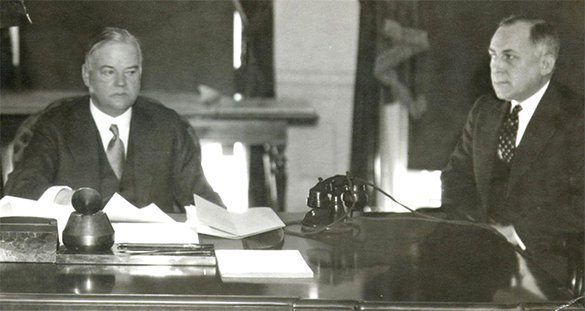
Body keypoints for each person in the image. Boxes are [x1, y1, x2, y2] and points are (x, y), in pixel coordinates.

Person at [4, 27, 224, 213]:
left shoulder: (168, 125)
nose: (121, 83)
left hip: (151, 256)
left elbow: (202, 198)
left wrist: (233, 229)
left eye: (130, 72)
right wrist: (65, 198)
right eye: (109, 72)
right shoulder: (56, 124)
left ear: (140, 74)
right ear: (87, 76)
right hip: (80, 252)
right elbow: (20, 187)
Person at [441, 16, 583, 284]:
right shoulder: (484, 112)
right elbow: (455, 178)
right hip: (480, 267)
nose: (496, 67)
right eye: (493, 56)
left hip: (556, 272)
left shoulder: (576, 117)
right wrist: (476, 231)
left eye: (509, 57)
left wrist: (517, 233)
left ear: (546, 64)